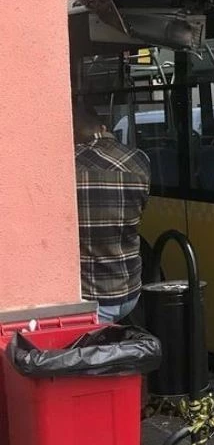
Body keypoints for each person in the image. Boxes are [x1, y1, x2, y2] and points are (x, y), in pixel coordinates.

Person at [74, 101, 151, 322]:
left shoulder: (67, 165)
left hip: (92, 297)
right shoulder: (140, 160)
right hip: (130, 291)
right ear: (103, 127)